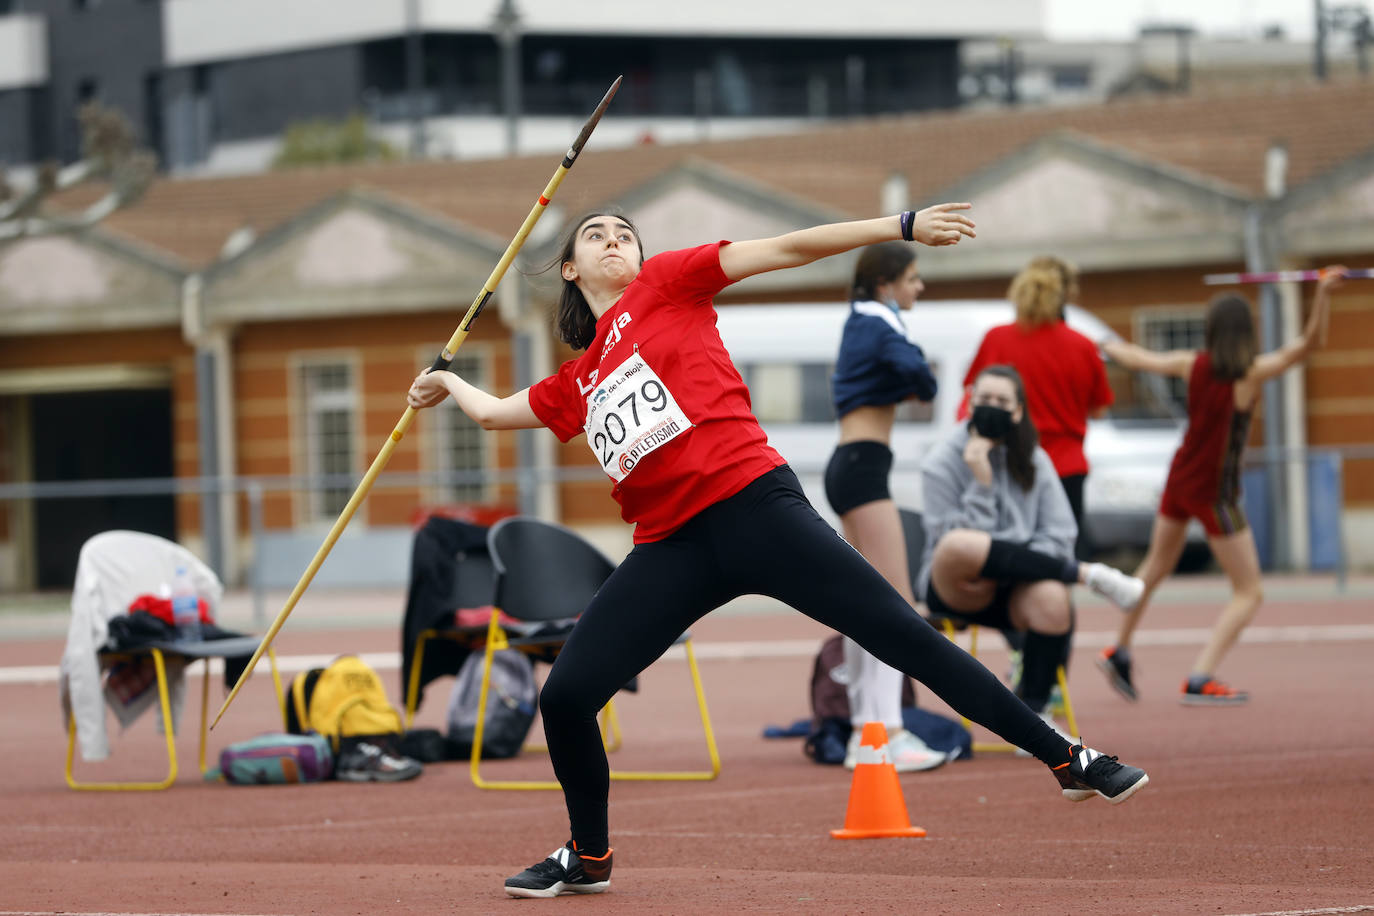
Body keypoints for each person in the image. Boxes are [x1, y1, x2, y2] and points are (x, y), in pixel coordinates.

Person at [407, 207, 1150, 900]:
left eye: (624, 234)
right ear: (569, 269)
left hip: (755, 507)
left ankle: (1066, 758)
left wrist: (901, 226)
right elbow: (499, 413)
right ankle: (589, 856)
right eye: (596, 236)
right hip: (671, 547)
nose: (615, 242)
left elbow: (789, 248)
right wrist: (446, 380)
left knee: (901, 634)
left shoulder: (669, 281)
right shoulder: (579, 379)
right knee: (565, 697)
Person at [1097, 267, 1345, 705]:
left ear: (1211, 330)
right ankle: (1200, 676)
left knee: (1152, 570)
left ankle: (1119, 647)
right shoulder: (1250, 373)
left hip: (1180, 479)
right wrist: (1323, 293)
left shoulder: (1191, 364)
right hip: (1216, 493)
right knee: (1250, 591)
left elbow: (1135, 357)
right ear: (1246, 331)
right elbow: (1308, 347)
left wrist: (1101, 345)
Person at [918, 364, 1145, 730]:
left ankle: (1034, 714)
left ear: (1018, 410)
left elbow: (1059, 535)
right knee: (958, 544)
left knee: (1054, 599)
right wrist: (982, 482)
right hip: (957, 587)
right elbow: (953, 541)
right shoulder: (941, 462)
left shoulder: (1034, 460)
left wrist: (1014, 566)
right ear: (970, 403)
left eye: (1002, 401)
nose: (992, 406)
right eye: (985, 399)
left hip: (1016, 589)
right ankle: (1088, 574)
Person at [961, 256, 1115, 707]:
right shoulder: (1082, 345)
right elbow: (1100, 405)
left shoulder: (997, 338)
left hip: (1008, 466)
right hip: (1065, 468)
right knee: (1056, 571)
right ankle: (1049, 673)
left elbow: (971, 392)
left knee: (1004, 561)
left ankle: (1023, 654)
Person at [822, 241, 946, 773]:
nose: (919, 287)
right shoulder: (879, 322)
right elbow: (922, 379)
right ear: (886, 283)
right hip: (862, 468)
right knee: (898, 606)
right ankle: (888, 732)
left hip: (853, 465)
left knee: (861, 608)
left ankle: (862, 734)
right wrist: (916, 373)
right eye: (913, 278)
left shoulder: (861, 321)